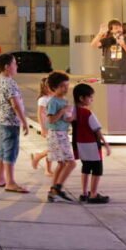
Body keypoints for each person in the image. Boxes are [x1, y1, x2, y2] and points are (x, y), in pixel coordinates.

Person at [0, 53, 30, 193]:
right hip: (10, 122)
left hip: (0, 120)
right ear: (7, 67)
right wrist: (24, 121)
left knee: (2, 150)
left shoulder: (0, 80)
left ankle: (1, 178)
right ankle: (10, 182)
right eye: (14, 64)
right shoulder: (9, 83)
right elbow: (16, 104)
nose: (16, 66)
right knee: (10, 151)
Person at [71, 83, 111, 203]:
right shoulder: (87, 113)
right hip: (92, 144)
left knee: (86, 167)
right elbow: (97, 130)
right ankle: (93, 194)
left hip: (79, 143)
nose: (92, 99)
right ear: (82, 98)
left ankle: (84, 193)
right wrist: (106, 144)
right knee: (97, 169)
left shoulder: (73, 111)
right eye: (90, 97)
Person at [43, 71, 77, 203]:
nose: (66, 89)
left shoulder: (64, 101)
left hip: (63, 132)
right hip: (57, 133)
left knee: (62, 163)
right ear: (54, 87)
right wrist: (62, 111)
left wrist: (72, 116)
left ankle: (53, 190)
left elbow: (66, 119)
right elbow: (51, 120)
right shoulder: (53, 102)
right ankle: (58, 188)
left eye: (67, 86)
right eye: (62, 86)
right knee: (71, 163)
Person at [28, 77, 53, 177]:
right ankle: (39, 158)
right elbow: (40, 114)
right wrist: (43, 128)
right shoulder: (43, 99)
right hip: (48, 127)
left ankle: (46, 166)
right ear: (45, 87)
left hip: (55, 126)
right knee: (52, 148)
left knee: (52, 148)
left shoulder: (54, 97)